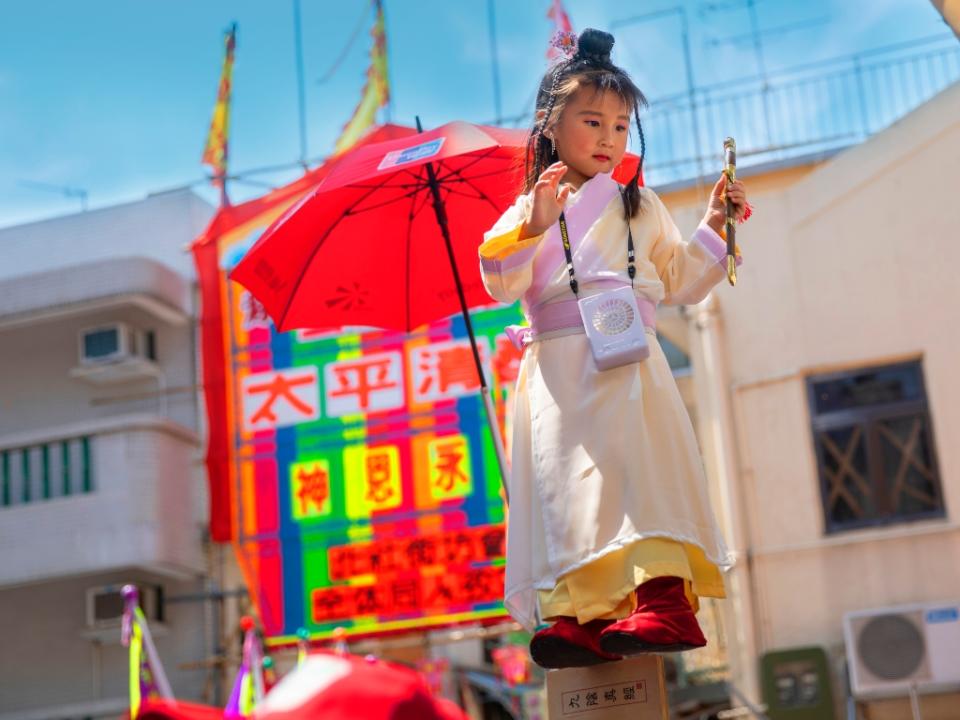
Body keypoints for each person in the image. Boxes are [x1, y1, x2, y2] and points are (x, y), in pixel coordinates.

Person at [478, 28, 750, 669]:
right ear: (550, 125)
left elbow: (680, 279)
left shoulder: (642, 204)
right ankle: (575, 613)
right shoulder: (528, 208)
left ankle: (662, 599)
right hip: (558, 371)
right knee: (566, 491)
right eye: (592, 121)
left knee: (638, 473)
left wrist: (716, 224)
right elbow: (498, 281)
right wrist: (535, 223)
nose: (608, 138)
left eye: (621, 126)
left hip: (629, 361)